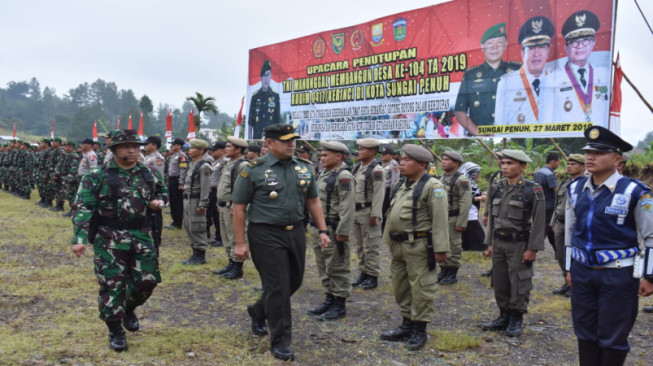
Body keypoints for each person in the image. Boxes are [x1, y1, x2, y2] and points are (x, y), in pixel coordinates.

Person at [231, 123, 330, 361]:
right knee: (277, 287)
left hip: (295, 231)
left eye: (293, 140)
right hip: (265, 234)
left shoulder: (304, 168)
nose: (291, 144)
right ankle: (281, 341)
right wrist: (240, 243)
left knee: (294, 281)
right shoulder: (252, 170)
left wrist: (323, 229)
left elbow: (313, 201)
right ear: (268, 143)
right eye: (285, 140)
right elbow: (239, 208)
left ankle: (258, 310)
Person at [70, 129, 167, 352]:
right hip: (109, 236)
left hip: (141, 234)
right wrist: (79, 238)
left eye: (136, 146)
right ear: (113, 150)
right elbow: (83, 207)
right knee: (112, 284)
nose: (132, 150)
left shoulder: (149, 173)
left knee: (147, 281)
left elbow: (163, 193)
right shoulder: (96, 176)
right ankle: (115, 330)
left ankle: (128, 307)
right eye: (126, 146)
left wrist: (158, 202)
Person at [565, 126, 653, 365]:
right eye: (588, 152)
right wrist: (568, 268)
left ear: (617, 158)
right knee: (585, 333)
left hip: (618, 274)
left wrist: (650, 275)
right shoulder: (574, 188)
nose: (590, 157)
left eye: (599, 152)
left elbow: (651, 236)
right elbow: (570, 232)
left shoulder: (635, 191)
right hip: (582, 272)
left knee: (613, 336)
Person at [380, 144, 450, 350]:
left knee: (421, 287)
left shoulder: (433, 186)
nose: (401, 163)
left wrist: (440, 249)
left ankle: (420, 330)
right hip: (399, 244)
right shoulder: (402, 185)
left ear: (421, 164)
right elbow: (390, 216)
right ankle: (406, 324)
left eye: (407, 160)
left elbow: (440, 220)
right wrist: (389, 242)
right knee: (401, 286)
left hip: (419, 245)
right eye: (401, 159)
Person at [481, 149, 545, 337]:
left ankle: (516, 317)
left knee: (519, 281)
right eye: (503, 163)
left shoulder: (532, 189)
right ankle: (503, 315)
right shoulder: (498, 187)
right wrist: (489, 243)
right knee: (500, 281)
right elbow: (493, 218)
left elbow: (539, 221)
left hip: (519, 244)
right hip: (499, 242)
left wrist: (533, 248)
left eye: (510, 164)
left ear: (523, 166)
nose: (505, 167)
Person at [306, 140, 355, 321]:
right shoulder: (323, 173)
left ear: (339, 156)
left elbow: (347, 206)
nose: (322, 158)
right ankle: (329, 298)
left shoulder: (344, 177)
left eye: (326, 155)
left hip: (333, 229)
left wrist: (343, 231)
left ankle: (339, 304)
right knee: (323, 265)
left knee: (337, 266)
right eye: (321, 155)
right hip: (320, 227)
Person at [455, 23, 521, 135]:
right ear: (482, 46)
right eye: (490, 43)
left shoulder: (518, 71)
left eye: (499, 42)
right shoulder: (470, 75)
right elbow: (459, 111)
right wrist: (478, 134)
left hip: (511, 136)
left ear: (505, 45)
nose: (494, 47)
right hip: (478, 140)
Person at [495, 16, 554, 125]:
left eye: (541, 46)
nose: (536, 53)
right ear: (522, 53)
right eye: (531, 48)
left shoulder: (556, 81)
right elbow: (499, 127)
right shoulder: (506, 84)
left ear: (548, 50)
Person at [553, 10, 609, 124]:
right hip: (566, 139)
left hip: (598, 137)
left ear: (593, 43)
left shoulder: (604, 75)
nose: (580, 46)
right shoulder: (552, 79)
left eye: (586, 41)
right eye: (574, 42)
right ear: (566, 47)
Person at [351, 138, 385, 290]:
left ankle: (372, 276)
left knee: (371, 245)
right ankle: (363, 272)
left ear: (372, 152)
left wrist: (375, 215)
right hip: (356, 211)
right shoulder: (358, 167)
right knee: (360, 245)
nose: (359, 151)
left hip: (368, 211)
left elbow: (379, 194)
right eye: (359, 148)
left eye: (363, 149)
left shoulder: (377, 170)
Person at [212, 137, 249, 279]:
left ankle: (237, 267)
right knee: (226, 236)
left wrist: (235, 205)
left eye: (229, 146)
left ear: (238, 149)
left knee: (235, 236)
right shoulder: (228, 164)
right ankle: (231, 263)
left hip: (233, 206)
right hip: (223, 206)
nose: (225, 149)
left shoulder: (242, 165)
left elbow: (242, 189)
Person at [550, 154, 585, 297]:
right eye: (568, 163)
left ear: (583, 167)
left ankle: (575, 285)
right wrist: (553, 222)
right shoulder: (565, 183)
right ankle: (567, 281)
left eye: (574, 164)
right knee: (561, 254)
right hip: (560, 223)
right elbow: (558, 203)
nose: (569, 166)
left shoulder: (585, 184)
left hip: (575, 225)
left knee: (574, 255)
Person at [436, 151, 471, 285]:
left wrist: (461, 222)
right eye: (443, 159)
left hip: (453, 217)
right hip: (441, 217)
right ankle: (444, 269)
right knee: (441, 244)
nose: (443, 162)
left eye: (447, 160)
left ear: (456, 163)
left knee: (454, 245)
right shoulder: (440, 178)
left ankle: (452, 272)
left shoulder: (461, 180)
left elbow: (465, 202)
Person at [181, 139, 212, 265]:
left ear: (201, 151)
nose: (190, 150)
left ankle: (200, 255)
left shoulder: (204, 166)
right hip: (188, 199)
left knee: (197, 226)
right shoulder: (194, 164)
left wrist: (203, 203)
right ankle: (195, 252)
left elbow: (205, 187)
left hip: (195, 200)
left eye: (193, 148)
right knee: (189, 226)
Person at [533, 153, 560, 252]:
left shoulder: (538, 172)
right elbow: (556, 191)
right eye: (558, 162)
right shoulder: (549, 174)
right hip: (550, 206)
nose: (559, 165)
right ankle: (532, 250)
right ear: (553, 161)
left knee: (550, 231)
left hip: (540, 205)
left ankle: (559, 252)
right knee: (544, 229)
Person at [248, 60, 281, 139]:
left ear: (271, 76)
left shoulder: (275, 96)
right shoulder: (255, 96)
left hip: (271, 138)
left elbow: (277, 121)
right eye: (264, 75)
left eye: (268, 75)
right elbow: (250, 121)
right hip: (257, 137)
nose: (266, 78)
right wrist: (250, 139)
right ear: (261, 78)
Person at [459, 162, 487, 252]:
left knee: (467, 232)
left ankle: (467, 248)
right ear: (472, 173)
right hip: (468, 212)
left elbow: (473, 193)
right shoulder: (464, 182)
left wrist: (481, 193)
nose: (478, 175)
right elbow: (464, 198)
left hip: (472, 212)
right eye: (477, 173)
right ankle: (478, 248)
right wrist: (480, 198)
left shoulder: (472, 182)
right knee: (477, 233)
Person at [165, 138, 188, 229]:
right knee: (172, 201)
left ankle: (178, 222)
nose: (172, 146)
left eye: (174, 144)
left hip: (177, 180)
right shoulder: (174, 155)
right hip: (171, 180)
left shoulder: (182, 156)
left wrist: (181, 182)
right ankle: (174, 221)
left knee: (177, 202)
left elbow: (183, 170)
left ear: (179, 146)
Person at [207, 141, 227, 247]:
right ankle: (217, 236)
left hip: (218, 191)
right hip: (212, 191)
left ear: (222, 150)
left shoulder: (224, 162)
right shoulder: (216, 162)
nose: (212, 151)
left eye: (215, 150)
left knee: (218, 215)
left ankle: (221, 238)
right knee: (214, 215)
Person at [381, 146, 401, 230]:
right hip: (381, 190)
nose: (382, 156)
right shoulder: (382, 164)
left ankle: (385, 228)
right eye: (382, 154)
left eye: (385, 154)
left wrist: (392, 195)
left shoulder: (394, 164)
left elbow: (395, 180)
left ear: (391, 156)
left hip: (388, 191)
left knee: (385, 210)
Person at [61, 141, 81, 217]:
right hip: (68, 177)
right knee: (70, 194)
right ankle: (72, 209)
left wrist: (69, 177)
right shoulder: (69, 155)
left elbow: (74, 167)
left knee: (72, 194)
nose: (65, 148)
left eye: (67, 147)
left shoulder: (74, 155)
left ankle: (74, 210)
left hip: (72, 178)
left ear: (71, 147)